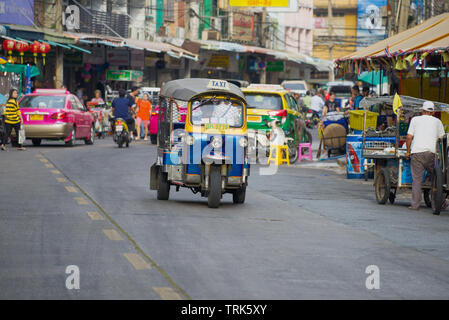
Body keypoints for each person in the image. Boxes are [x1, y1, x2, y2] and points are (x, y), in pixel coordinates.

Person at [406, 101, 445, 210]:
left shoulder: (415, 120)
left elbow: (409, 137)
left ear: (422, 110)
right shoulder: (437, 122)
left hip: (417, 153)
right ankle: (439, 202)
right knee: (437, 179)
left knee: (417, 180)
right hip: (431, 153)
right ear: (433, 112)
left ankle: (415, 205)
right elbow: (442, 139)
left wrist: (408, 151)